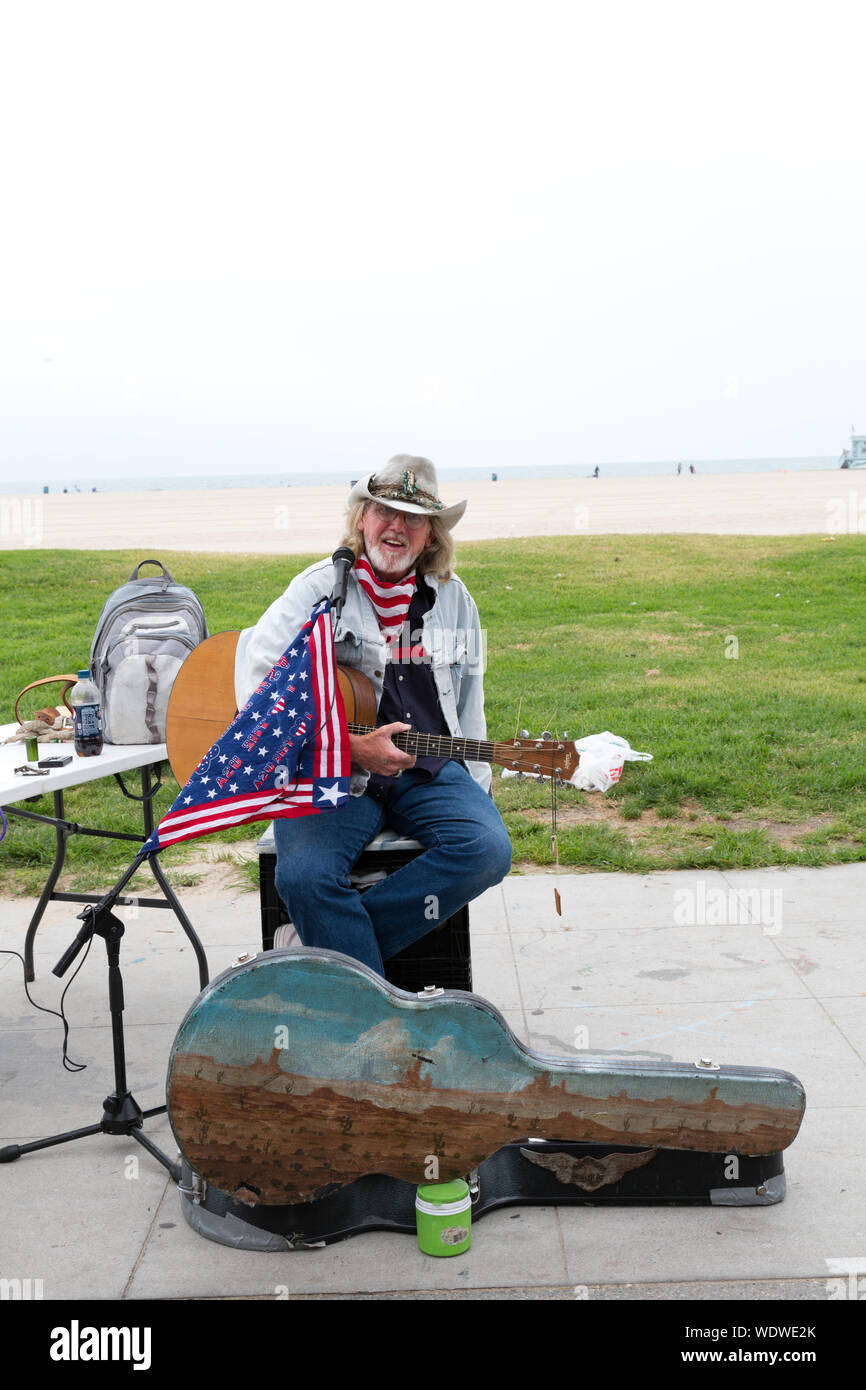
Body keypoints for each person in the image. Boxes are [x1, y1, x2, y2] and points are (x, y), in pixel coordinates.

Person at [234, 454, 512, 975]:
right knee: (303, 878)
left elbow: (469, 699)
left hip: (426, 770)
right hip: (332, 769)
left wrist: (479, 786)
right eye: (385, 510)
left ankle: (326, 953)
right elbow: (259, 678)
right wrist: (348, 747)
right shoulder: (318, 589)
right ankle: (366, 988)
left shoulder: (455, 601)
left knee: (486, 850)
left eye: (413, 517)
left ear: (430, 534)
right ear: (362, 518)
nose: (396, 526)